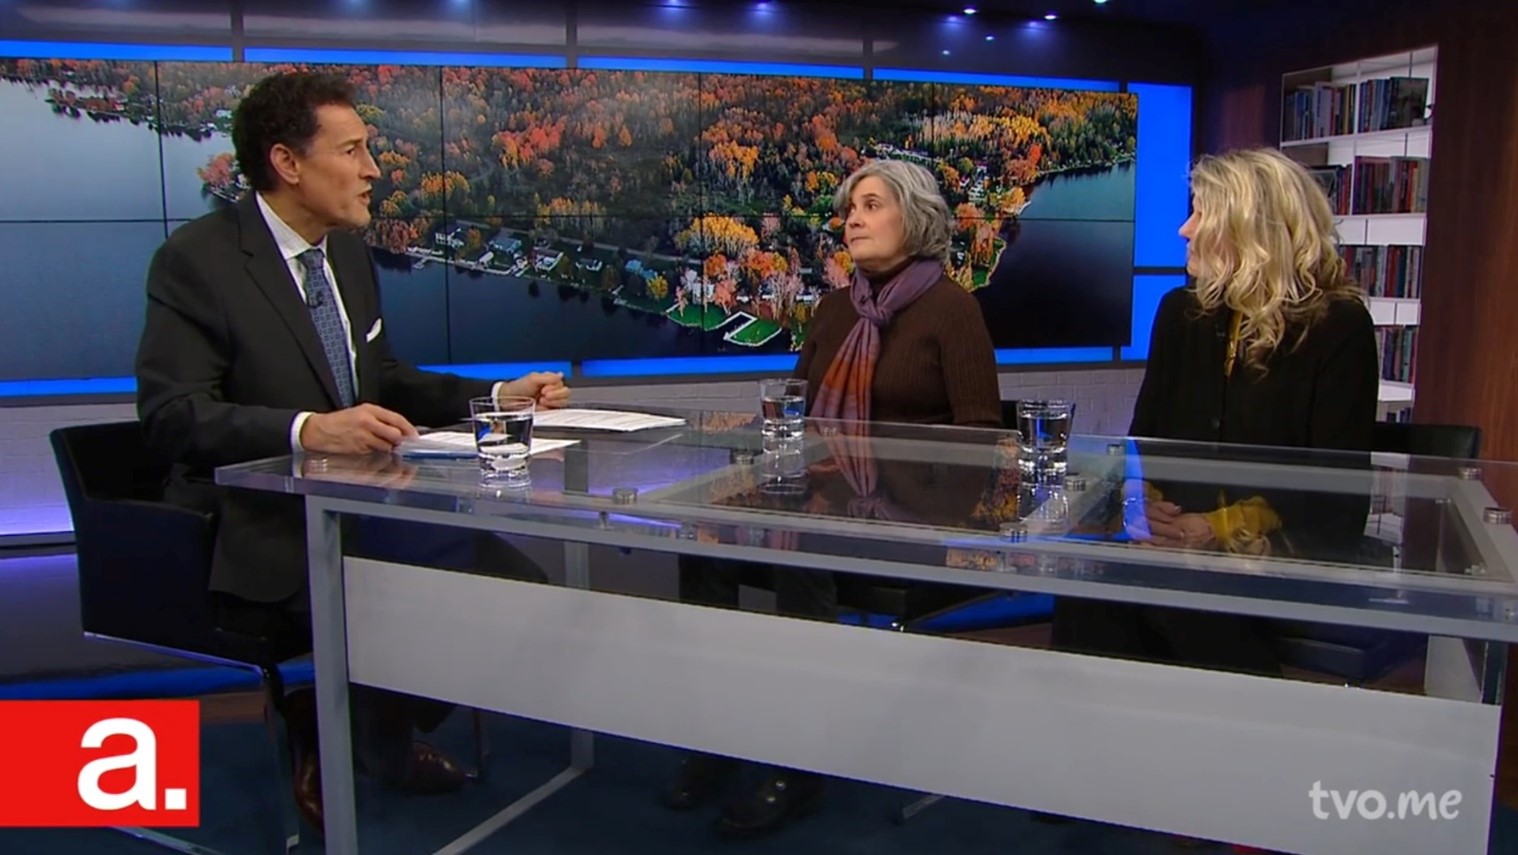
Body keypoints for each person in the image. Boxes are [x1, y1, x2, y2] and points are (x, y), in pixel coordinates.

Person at [133, 71, 570, 834]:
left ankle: (358, 715)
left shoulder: (347, 255)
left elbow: (386, 380)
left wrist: (499, 394)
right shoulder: (198, 260)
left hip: (366, 507)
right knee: (423, 598)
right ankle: (358, 723)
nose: (374, 169)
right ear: (287, 162)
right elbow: (173, 416)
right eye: (355, 150)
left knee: (517, 589)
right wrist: (307, 428)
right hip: (260, 521)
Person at [1047, 147, 1377, 846]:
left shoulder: (1337, 326)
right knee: (1087, 581)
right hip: (1177, 537)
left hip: (1279, 543)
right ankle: (1108, 773)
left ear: (1255, 228)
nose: (1184, 231)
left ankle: (1239, 787)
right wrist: (1142, 505)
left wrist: (1210, 528)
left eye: (1200, 215)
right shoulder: (1182, 313)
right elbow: (1144, 442)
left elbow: (1333, 488)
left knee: (1177, 595)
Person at [665, 158, 1001, 839]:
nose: (851, 218)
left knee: (805, 551)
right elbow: (797, 412)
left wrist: (879, 486)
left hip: (912, 518)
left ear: (916, 217)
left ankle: (799, 759)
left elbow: (980, 444)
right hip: (826, 497)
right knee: (699, 540)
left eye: (871, 205)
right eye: (850, 207)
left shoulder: (953, 309)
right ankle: (718, 732)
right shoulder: (836, 307)